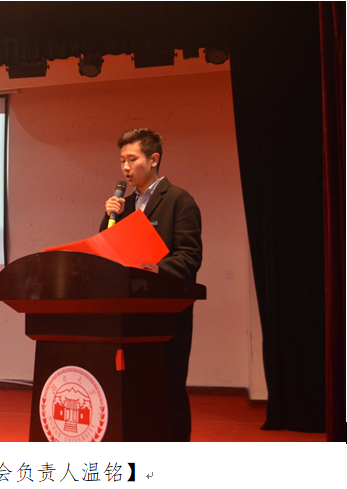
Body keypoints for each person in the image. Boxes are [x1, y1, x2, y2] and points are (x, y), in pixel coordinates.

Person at [99, 128, 202, 442]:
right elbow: (107, 252)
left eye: (132, 159)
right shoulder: (125, 206)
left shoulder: (179, 200)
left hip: (166, 312)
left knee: (169, 387)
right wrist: (108, 218)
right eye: (122, 160)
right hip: (131, 313)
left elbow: (190, 256)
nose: (125, 167)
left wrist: (158, 269)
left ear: (154, 159)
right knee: (133, 388)